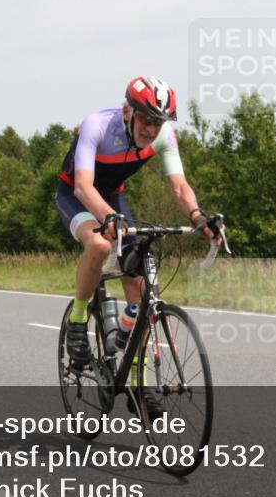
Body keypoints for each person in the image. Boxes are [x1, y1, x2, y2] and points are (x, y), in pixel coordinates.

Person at [56, 76, 216, 416]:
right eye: (145, 118)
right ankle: (79, 320)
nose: (151, 128)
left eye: (158, 121)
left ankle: (136, 378)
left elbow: (179, 187)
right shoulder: (97, 125)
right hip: (75, 196)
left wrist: (199, 216)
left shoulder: (163, 136)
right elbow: (84, 187)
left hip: (114, 198)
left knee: (142, 287)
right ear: (128, 111)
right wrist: (110, 218)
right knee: (99, 245)